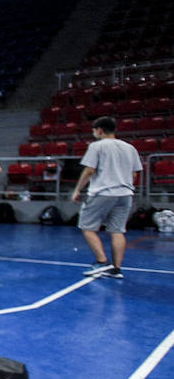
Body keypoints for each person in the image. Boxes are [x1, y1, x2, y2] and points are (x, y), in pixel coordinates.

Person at [71, 116, 142, 279]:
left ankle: (101, 262)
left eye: (94, 131)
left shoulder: (97, 146)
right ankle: (116, 269)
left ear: (100, 130)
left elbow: (89, 170)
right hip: (125, 194)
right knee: (117, 231)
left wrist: (77, 190)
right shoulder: (129, 148)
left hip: (103, 192)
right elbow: (134, 174)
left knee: (87, 227)